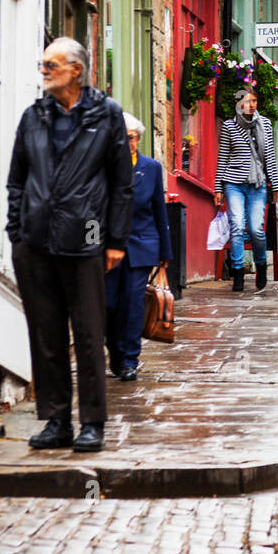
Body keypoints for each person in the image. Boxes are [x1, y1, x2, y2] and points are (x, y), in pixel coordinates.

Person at [7, 38, 133, 453]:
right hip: (35, 242)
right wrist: (17, 232)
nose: (43, 71)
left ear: (76, 69)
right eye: (42, 64)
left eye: (51, 64)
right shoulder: (34, 117)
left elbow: (120, 185)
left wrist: (112, 240)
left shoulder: (106, 115)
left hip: (87, 237)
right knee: (46, 336)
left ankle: (92, 423)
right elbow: (16, 179)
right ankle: (56, 420)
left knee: (88, 332)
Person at [105, 114, 172, 381]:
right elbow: (91, 210)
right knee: (109, 304)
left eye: (131, 138)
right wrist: (90, 244)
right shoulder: (103, 167)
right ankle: (115, 353)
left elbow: (160, 211)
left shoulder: (151, 168)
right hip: (108, 248)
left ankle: (130, 359)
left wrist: (165, 252)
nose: (126, 142)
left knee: (133, 304)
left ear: (138, 139)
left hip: (142, 245)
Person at [215, 90, 278, 292]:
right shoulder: (229, 126)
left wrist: (275, 185)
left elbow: (269, 155)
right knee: (236, 226)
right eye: (246, 101)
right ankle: (238, 272)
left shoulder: (265, 124)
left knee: (256, 229)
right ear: (239, 104)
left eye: (254, 100)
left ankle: (261, 265)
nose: (251, 104)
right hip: (233, 183)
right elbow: (223, 157)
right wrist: (218, 187)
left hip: (257, 184)